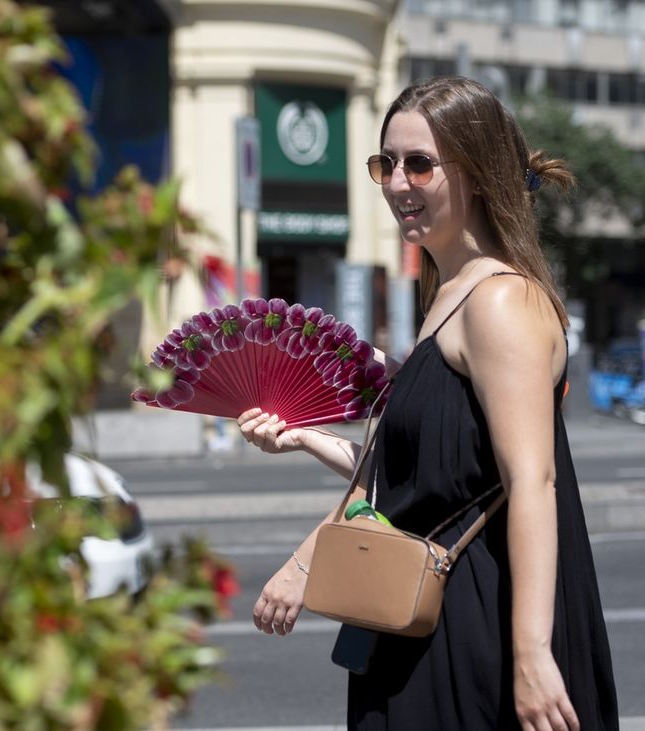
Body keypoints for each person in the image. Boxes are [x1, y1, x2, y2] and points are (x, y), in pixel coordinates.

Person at [235, 76, 619, 731]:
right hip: (420, 618)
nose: (397, 183)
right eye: (386, 163)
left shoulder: (500, 302)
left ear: (476, 171)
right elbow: (423, 478)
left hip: (478, 626)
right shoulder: (446, 296)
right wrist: (304, 436)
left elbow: (534, 481)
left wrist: (530, 653)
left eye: (420, 163)